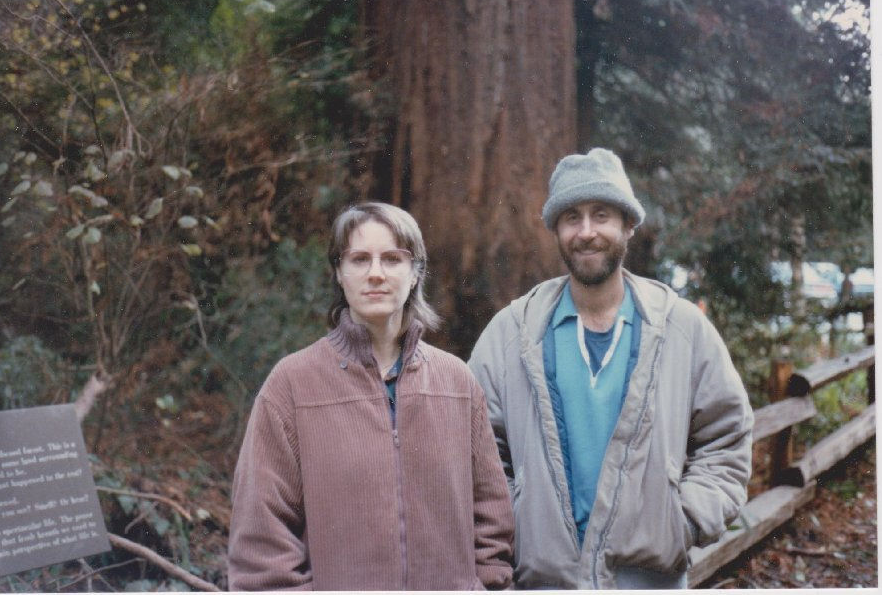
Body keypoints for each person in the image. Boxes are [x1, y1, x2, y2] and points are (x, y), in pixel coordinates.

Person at [467, 149, 754, 589]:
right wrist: (515, 523)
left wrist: (682, 521)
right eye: (571, 217)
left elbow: (727, 436)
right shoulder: (512, 331)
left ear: (628, 225)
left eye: (601, 215)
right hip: (542, 581)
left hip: (649, 580)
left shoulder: (681, 328)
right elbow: (476, 449)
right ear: (556, 230)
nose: (586, 232)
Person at [228, 202, 514, 591]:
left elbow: (492, 520)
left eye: (393, 259)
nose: (376, 274)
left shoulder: (457, 382)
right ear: (339, 274)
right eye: (360, 259)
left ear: (415, 274)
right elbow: (261, 537)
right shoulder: (292, 385)